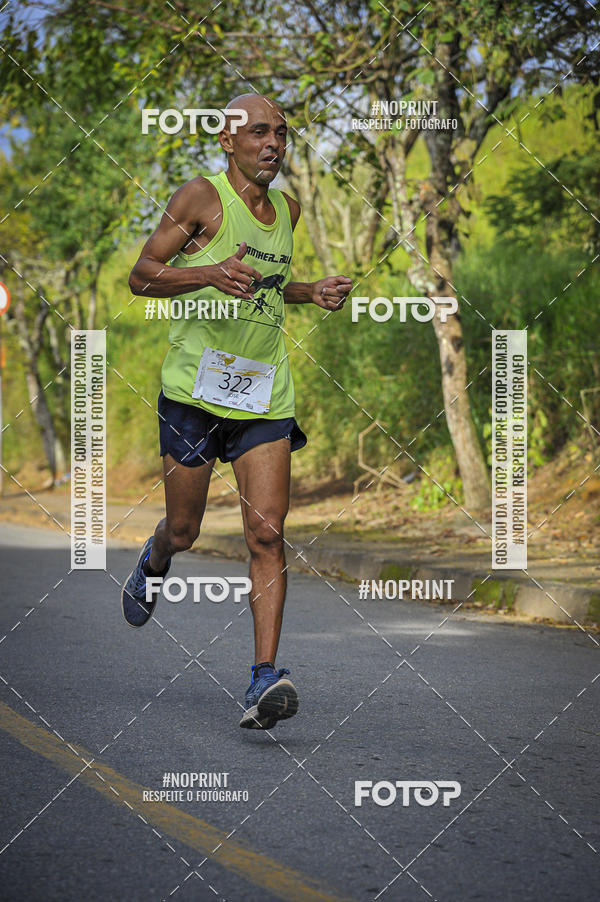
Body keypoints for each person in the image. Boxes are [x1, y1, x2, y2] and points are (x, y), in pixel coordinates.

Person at [121, 93, 352, 729]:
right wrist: (205, 275)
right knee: (187, 528)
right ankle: (159, 557)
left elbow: (269, 291)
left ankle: (263, 678)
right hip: (194, 393)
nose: (272, 142)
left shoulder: (288, 210)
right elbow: (141, 276)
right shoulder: (199, 197)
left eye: (280, 132)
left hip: (262, 394)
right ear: (229, 141)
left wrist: (311, 291)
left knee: (267, 532)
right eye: (258, 133)